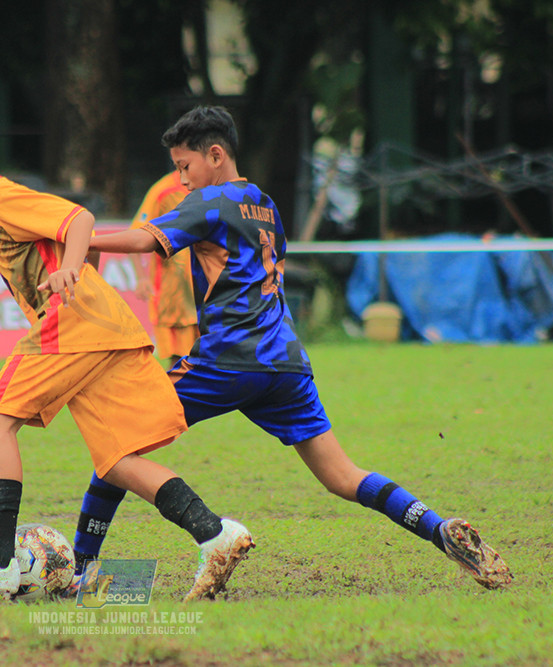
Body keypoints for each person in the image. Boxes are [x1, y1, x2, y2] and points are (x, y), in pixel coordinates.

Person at [69, 106, 512, 594]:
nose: (181, 178)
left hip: (229, 359)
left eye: (184, 166)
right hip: (286, 362)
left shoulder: (210, 200)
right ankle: (438, 527)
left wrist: (84, 238)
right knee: (343, 476)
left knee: (116, 447)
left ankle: (84, 572)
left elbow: (146, 239)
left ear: (215, 155)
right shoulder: (266, 204)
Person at [0, 100, 253, 601]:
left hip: (72, 327)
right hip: (107, 327)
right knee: (116, 461)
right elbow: (75, 236)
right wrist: (77, 266)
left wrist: (70, 270)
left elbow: (78, 218)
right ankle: (215, 533)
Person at [129, 172, 198, 367]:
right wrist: (141, 278)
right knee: (180, 363)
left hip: (209, 296)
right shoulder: (163, 190)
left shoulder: (214, 188)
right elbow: (135, 234)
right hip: (174, 299)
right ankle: (175, 397)